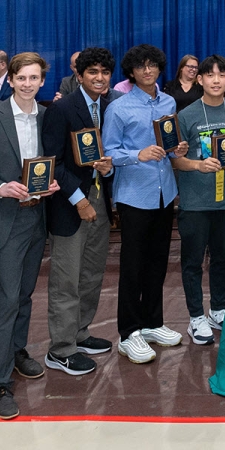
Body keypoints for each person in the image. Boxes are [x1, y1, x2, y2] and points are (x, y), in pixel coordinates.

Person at [103, 44, 189, 364]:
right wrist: (136, 155)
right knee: (133, 265)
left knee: (158, 261)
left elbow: (171, 144)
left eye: (152, 65)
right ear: (131, 72)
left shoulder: (167, 102)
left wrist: (178, 149)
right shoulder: (119, 108)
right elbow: (108, 154)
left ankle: (153, 323)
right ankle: (129, 333)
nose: (147, 71)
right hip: (134, 195)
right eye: (141, 67)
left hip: (164, 192)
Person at [41, 47, 117, 376]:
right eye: (92, 73)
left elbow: (108, 155)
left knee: (91, 274)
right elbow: (53, 162)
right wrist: (78, 199)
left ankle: (80, 332)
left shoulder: (110, 106)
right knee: (66, 279)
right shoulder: (62, 109)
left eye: (105, 73)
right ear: (79, 75)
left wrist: (109, 168)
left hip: (101, 199)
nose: (99, 78)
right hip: (71, 205)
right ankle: (60, 349)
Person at [0, 52, 60, 420]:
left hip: (36, 218)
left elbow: (53, 162)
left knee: (24, 294)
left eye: (34, 78)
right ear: (10, 79)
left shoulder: (48, 117)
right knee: (6, 300)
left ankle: (17, 352)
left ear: (41, 81)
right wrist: (0, 188)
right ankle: (1, 380)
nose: (27, 84)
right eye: (21, 78)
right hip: (6, 219)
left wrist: (51, 184)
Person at [174, 55, 225, 344]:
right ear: (199, 79)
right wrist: (197, 165)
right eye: (210, 75)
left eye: (222, 75)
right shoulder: (186, 115)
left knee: (221, 258)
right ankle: (195, 317)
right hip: (195, 201)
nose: (216, 80)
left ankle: (218, 308)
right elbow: (175, 161)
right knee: (192, 262)